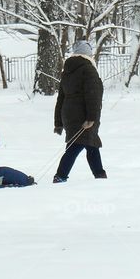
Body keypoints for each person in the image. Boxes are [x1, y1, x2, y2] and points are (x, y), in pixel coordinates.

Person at [53, 40, 107, 183]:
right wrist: (91, 118)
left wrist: (58, 122)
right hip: (83, 115)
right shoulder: (88, 69)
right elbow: (92, 95)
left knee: (92, 144)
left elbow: (61, 98)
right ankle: (60, 175)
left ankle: (100, 174)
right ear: (88, 54)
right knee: (76, 145)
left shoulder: (68, 71)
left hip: (69, 115)